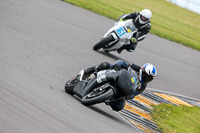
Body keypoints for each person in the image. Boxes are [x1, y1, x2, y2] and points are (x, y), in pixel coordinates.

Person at [80, 60, 157, 111]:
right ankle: (88, 71)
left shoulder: (142, 86)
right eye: (146, 76)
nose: (146, 79)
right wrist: (116, 65)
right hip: (118, 76)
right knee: (105, 65)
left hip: (123, 90)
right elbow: (123, 63)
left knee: (120, 106)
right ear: (142, 70)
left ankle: (105, 98)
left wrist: (128, 96)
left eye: (149, 79)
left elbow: (134, 94)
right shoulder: (135, 67)